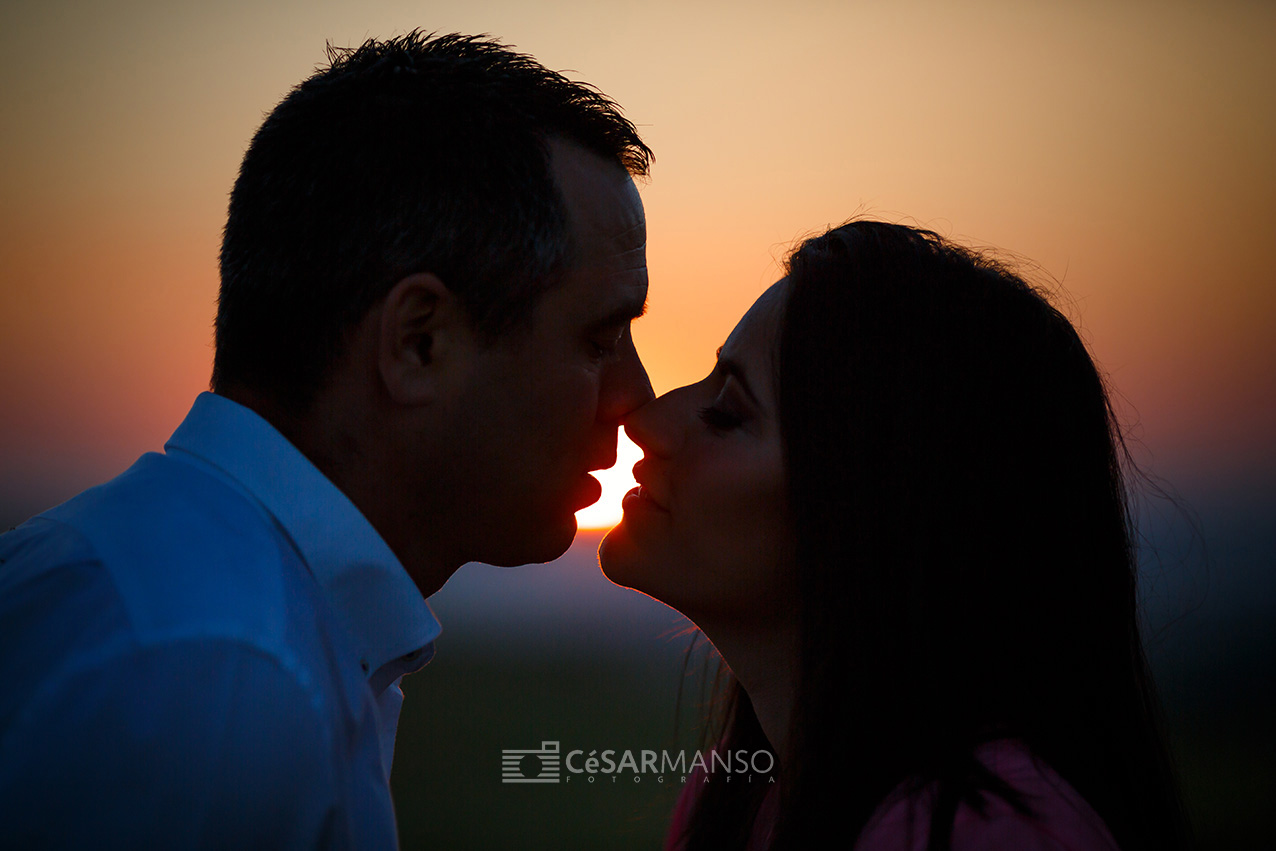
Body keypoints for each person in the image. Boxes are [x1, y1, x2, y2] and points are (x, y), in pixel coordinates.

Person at [0, 31, 653, 848]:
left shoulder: (210, 611)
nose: (638, 400)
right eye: (599, 339)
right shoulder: (219, 673)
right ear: (419, 343)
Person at [600, 220, 1192, 850]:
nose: (648, 418)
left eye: (727, 412)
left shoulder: (984, 830)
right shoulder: (737, 799)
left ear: (874, 502)